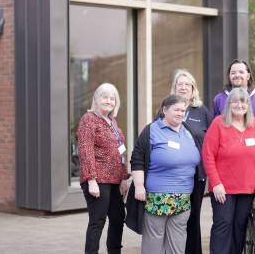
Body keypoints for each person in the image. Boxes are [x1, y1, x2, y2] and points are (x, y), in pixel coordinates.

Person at [130, 94, 201, 254]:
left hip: (183, 199)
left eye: (183, 110)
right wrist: (139, 186)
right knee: (154, 243)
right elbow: (137, 159)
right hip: (158, 198)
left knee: (178, 244)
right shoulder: (151, 130)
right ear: (164, 110)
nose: (180, 113)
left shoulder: (188, 131)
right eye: (176, 109)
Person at [202, 87, 255, 254]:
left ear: (249, 105)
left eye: (243, 101)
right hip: (223, 188)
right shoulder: (219, 123)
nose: (240, 105)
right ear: (229, 104)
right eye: (235, 101)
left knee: (240, 227)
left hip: (248, 187)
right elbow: (208, 155)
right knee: (223, 225)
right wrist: (215, 183)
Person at [77, 83, 130, 254]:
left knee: (118, 218)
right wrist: (91, 180)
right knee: (97, 221)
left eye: (112, 98)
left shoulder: (112, 122)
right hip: (98, 180)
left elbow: (121, 151)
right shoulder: (89, 119)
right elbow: (86, 150)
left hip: (115, 181)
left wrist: (123, 177)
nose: (109, 100)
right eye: (105, 97)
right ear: (96, 99)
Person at [169, 69, 213, 254]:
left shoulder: (201, 111)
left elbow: (212, 141)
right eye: (180, 84)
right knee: (173, 217)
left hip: (196, 175)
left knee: (192, 217)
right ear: (175, 88)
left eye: (188, 84)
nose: (184, 87)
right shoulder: (166, 109)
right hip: (171, 175)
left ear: (193, 88)